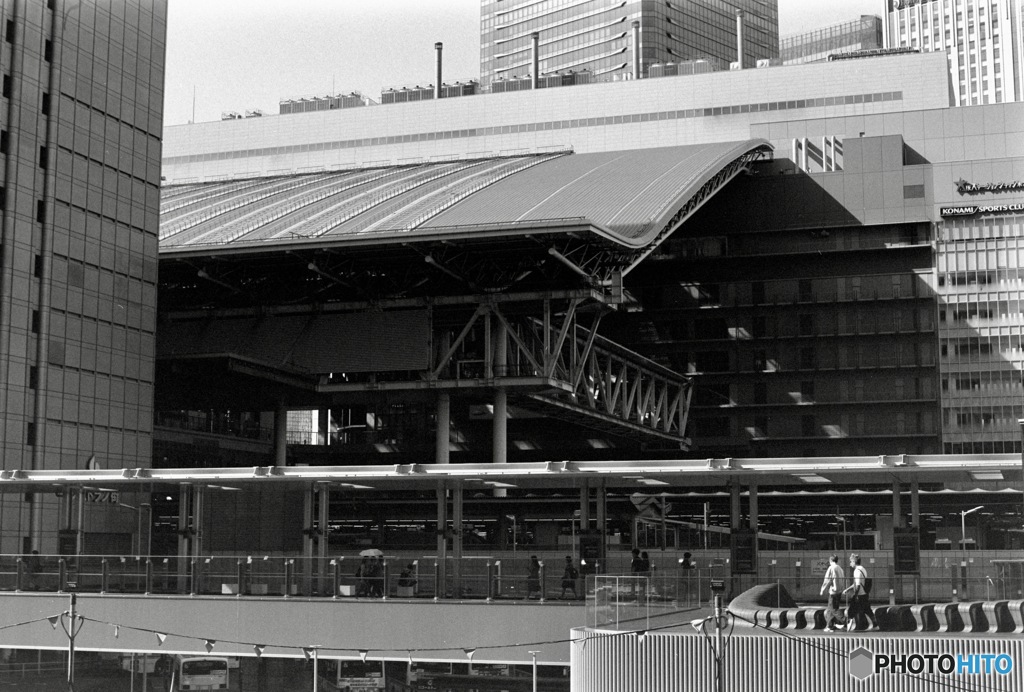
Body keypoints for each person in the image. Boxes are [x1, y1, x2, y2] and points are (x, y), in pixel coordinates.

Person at [843, 553, 879, 631]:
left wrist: (855, 595)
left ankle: (847, 624)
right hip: (865, 594)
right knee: (867, 610)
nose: (850, 563)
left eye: (850, 562)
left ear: (854, 561)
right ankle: (875, 625)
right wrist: (848, 589)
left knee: (851, 609)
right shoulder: (862, 569)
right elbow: (856, 583)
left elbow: (858, 585)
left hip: (860, 595)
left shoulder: (857, 571)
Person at [819, 554, 847, 632]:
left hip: (833, 592)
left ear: (830, 560)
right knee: (830, 609)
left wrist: (822, 589)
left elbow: (827, 580)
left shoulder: (831, 568)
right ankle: (829, 625)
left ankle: (845, 621)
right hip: (839, 591)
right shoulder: (840, 568)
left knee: (833, 609)